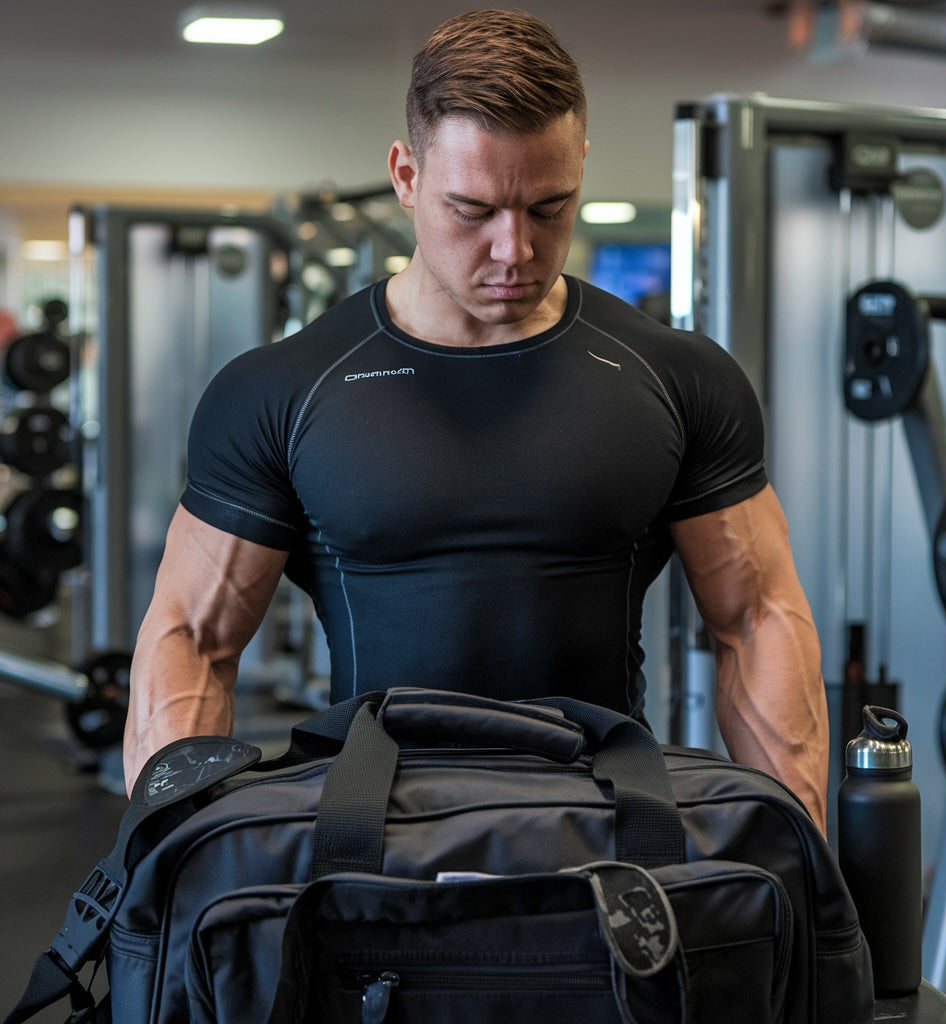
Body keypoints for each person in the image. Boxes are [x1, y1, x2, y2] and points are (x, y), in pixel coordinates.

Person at [123, 8, 829, 833]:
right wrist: (158, 867)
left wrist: (807, 863)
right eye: (474, 210)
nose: (514, 250)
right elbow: (193, 641)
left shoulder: (678, 376)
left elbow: (756, 619)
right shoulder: (282, 389)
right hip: (369, 843)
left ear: (581, 167)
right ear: (406, 175)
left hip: (604, 831)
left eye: (548, 208)